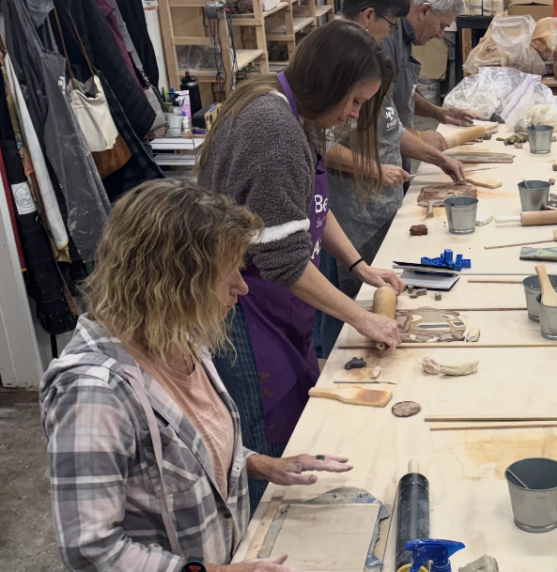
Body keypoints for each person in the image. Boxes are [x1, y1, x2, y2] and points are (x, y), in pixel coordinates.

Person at [40, 180, 353, 572]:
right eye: (227, 275)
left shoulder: (180, 336)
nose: (241, 288)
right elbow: (90, 550)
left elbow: (185, 455)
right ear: (171, 283)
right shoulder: (93, 394)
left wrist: (260, 464)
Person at [197, 21, 404, 506]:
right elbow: (284, 262)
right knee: (269, 450)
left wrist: (357, 267)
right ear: (329, 81)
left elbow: (303, 207)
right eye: (354, 101)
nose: (354, 116)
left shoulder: (292, 113)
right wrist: (361, 316)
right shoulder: (274, 129)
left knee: (298, 427)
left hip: (272, 302)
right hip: (240, 310)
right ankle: (257, 544)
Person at [315, 0, 467, 355]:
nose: (392, 31)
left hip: (377, 210)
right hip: (350, 215)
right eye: (389, 23)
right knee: (349, 333)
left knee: (375, 303)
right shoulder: (345, 60)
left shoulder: (372, 52)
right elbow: (323, 146)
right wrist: (373, 167)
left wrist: (436, 155)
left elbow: (389, 125)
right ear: (370, 17)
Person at [381, 0, 475, 134]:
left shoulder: (405, 33)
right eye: (442, 26)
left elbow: (402, 92)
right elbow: (378, 121)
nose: (440, 35)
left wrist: (437, 112)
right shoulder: (386, 39)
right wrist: (419, 138)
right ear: (424, 10)